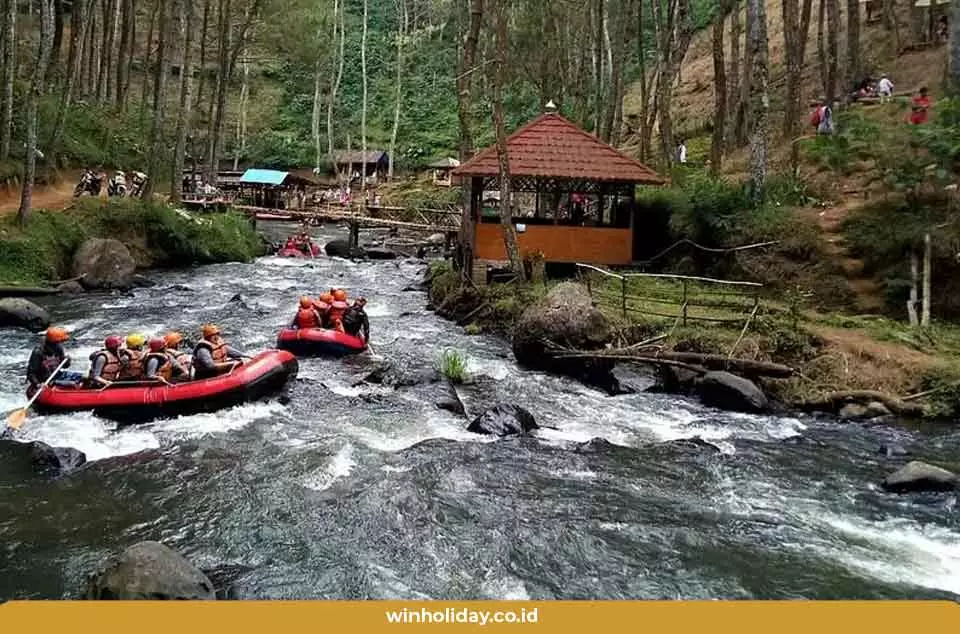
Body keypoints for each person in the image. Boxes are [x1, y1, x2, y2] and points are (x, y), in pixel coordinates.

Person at [26, 327, 83, 395]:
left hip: (58, 375)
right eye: (59, 342)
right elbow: (31, 373)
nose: (60, 343)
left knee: (82, 378)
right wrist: (38, 384)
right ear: (53, 343)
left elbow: (65, 366)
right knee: (73, 384)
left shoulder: (58, 348)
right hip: (46, 381)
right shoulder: (38, 352)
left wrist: (67, 361)